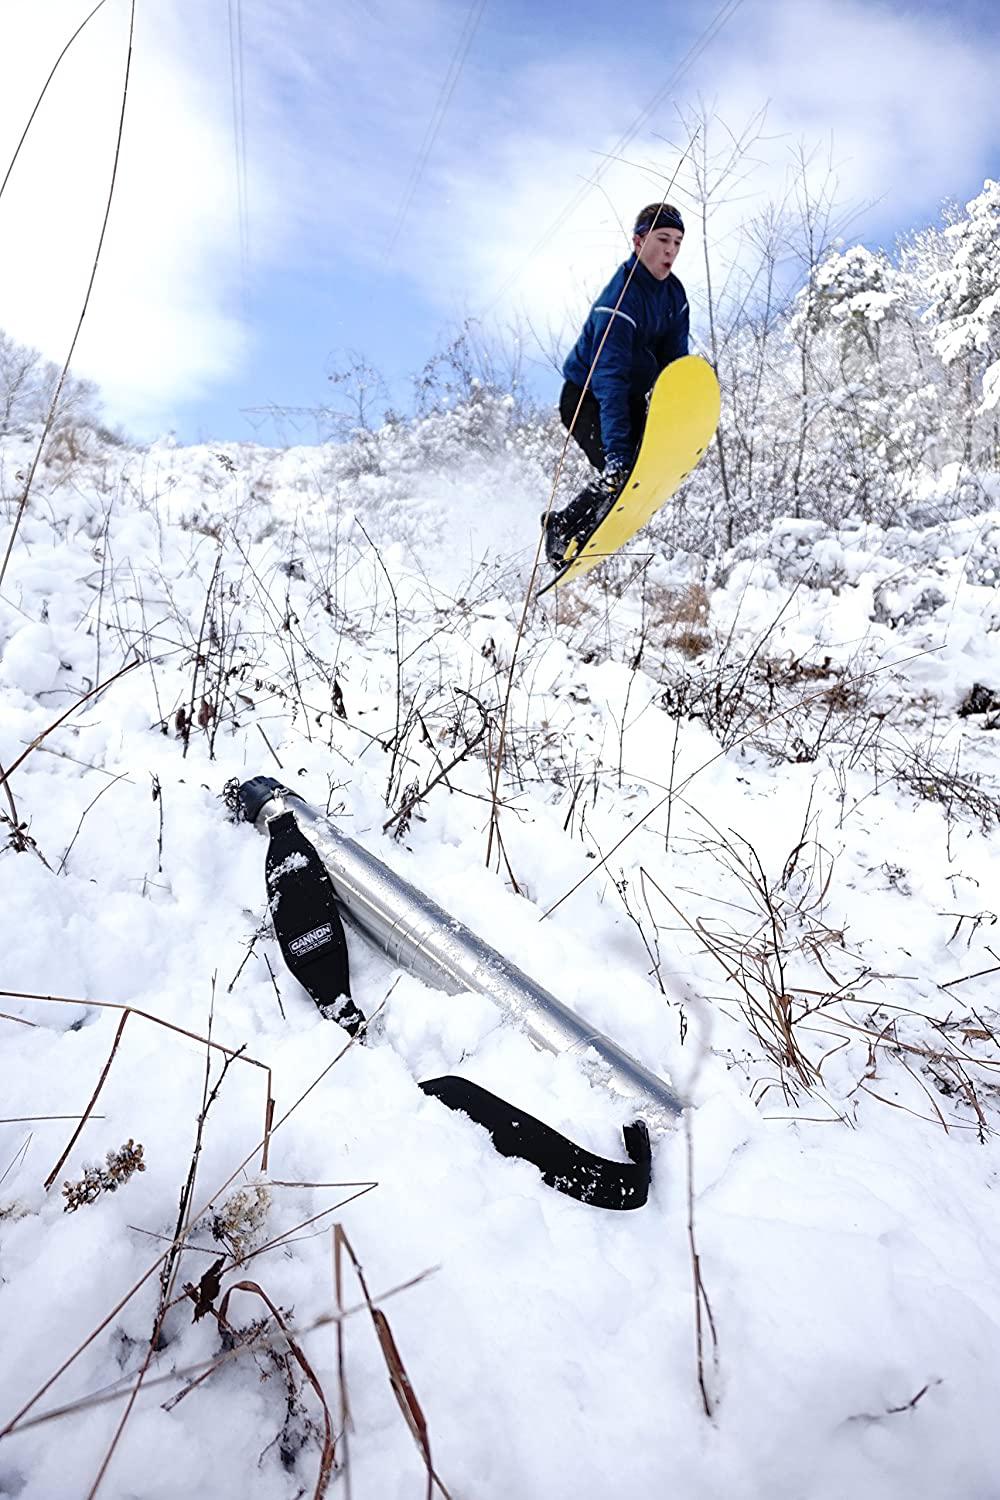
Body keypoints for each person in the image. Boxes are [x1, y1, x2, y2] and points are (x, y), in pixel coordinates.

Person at [543, 202, 690, 566]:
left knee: (644, 472)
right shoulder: (619, 301)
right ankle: (563, 528)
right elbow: (609, 382)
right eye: (662, 239)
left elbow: (674, 366)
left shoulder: (675, 296)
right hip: (587, 398)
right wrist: (616, 452)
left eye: (677, 242)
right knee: (622, 471)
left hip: (629, 396)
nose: (671, 250)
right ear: (639, 243)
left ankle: (578, 529)